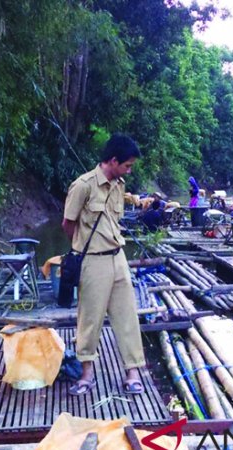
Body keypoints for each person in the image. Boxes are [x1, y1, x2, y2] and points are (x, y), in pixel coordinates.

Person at [62, 134, 146, 396]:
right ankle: (86, 374)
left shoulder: (118, 185)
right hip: (92, 261)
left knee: (127, 315)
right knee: (90, 319)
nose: (129, 170)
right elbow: (68, 224)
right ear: (112, 160)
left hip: (118, 257)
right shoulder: (83, 185)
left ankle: (132, 371)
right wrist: (84, 248)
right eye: (127, 165)